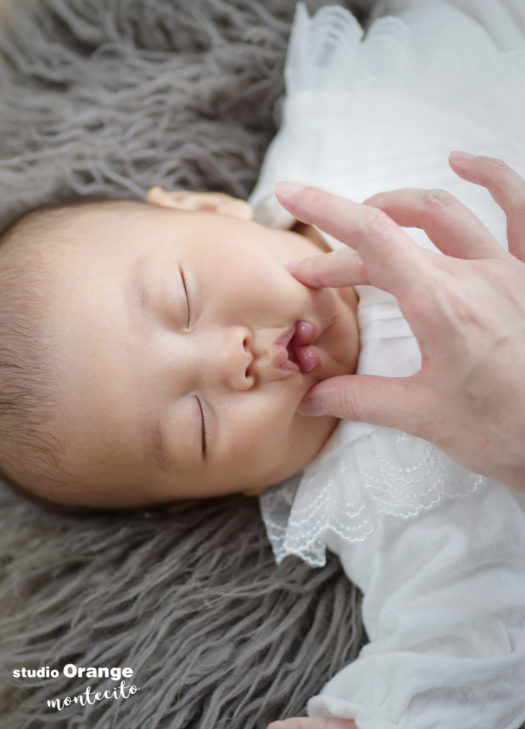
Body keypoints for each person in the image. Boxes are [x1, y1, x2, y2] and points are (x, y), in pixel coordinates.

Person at [1, 2, 525, 729]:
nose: (231, 359)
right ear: (230, 487)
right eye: (198, 425)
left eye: (182, 297)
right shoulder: (379, 503)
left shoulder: (352, 120)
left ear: (205, 208)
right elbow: (472, 649)